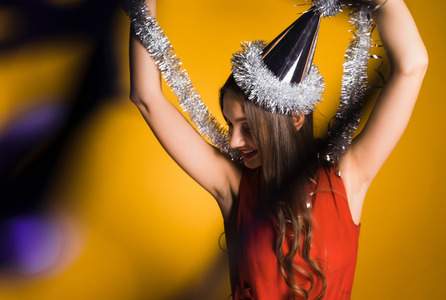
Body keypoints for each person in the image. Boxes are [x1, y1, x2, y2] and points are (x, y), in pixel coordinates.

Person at [127, 0, 427, 298]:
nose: (234, 141)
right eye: (231, 126)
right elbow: (147, 97)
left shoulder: (347, 179)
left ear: (295, 118)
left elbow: (412, 66)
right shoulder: (235, 186)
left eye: (248, 127)